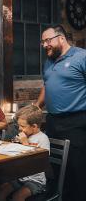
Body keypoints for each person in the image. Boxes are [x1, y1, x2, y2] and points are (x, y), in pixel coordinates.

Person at [35, 25, 86, 201]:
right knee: (53, 167)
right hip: (52, 121)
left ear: (61, 38)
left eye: (48, 40)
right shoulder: (48, 62)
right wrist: (36, 106)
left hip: (76, 122)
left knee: (76, 170)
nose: (44, 45)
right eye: (42, 42)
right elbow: (47, 86)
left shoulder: (81, 57)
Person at [0, 105, 50, 201]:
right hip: (20, 177)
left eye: (23, 126)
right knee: (2, 190)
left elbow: (41, 162)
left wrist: (25, 143)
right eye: (19, 126)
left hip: (35, 181)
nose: (20, 129)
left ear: (34, 126)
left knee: (18, 196)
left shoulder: (42, 139)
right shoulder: (25, 135)